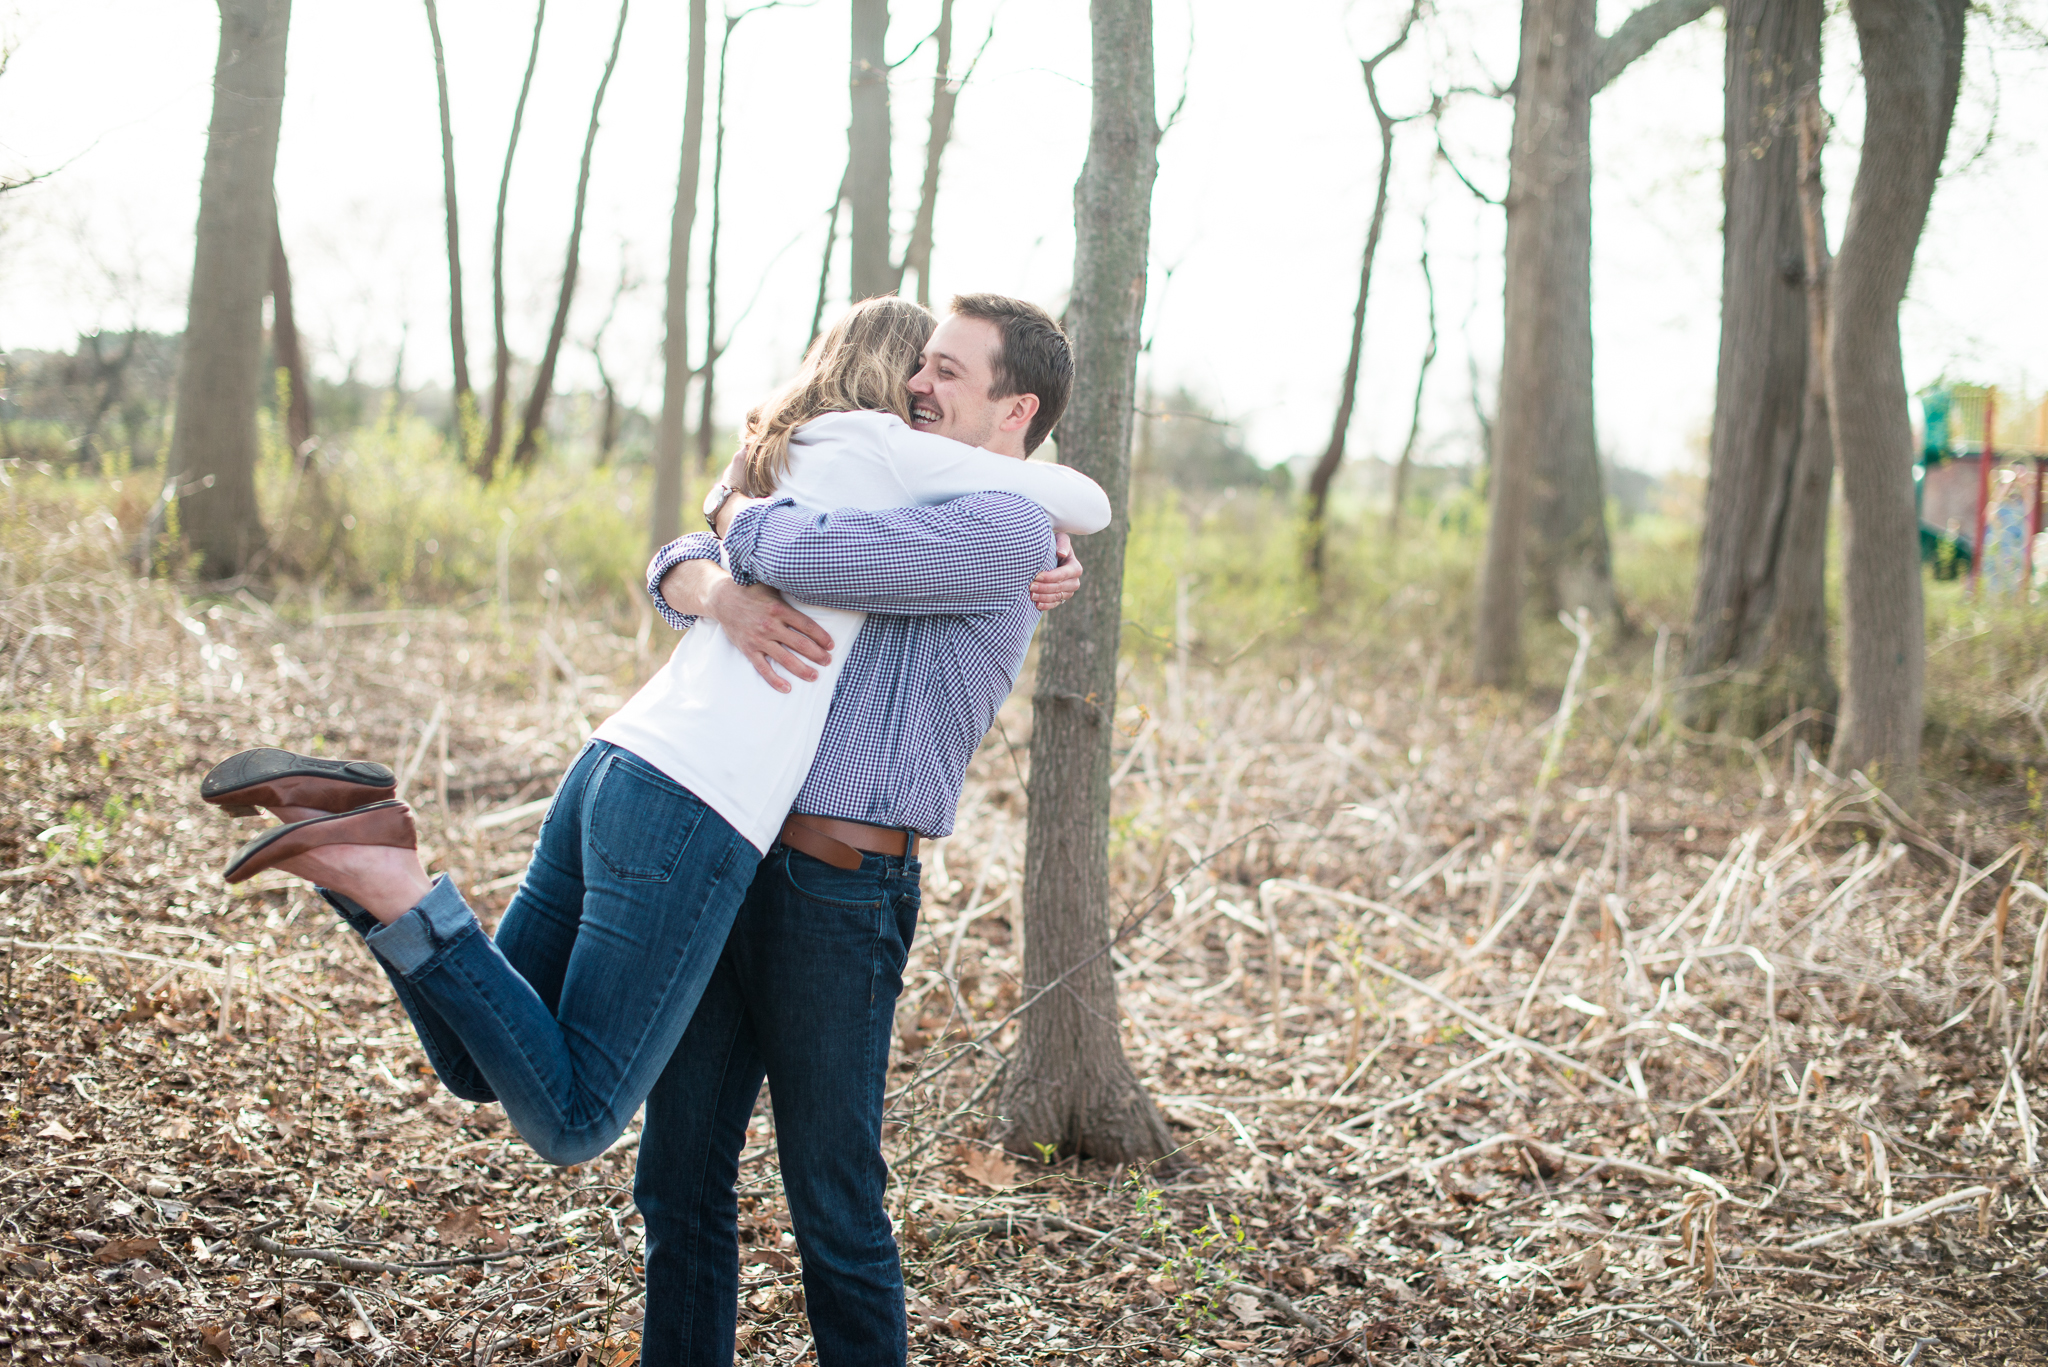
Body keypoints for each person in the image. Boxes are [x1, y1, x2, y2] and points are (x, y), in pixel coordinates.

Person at [198, 294, 1100, 1178]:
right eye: (920, 370)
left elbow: (701, 542)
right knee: (580, 1114)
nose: (924, 387)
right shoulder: (890, 458)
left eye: (944, 372)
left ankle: (356, 847)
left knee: (481, 1063)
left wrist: (725, 519)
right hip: (695, 801)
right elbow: (1055, 494)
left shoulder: (786, 457)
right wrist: (1057, 531)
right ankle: (390, 880)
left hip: (613, 759)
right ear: (890, 387)